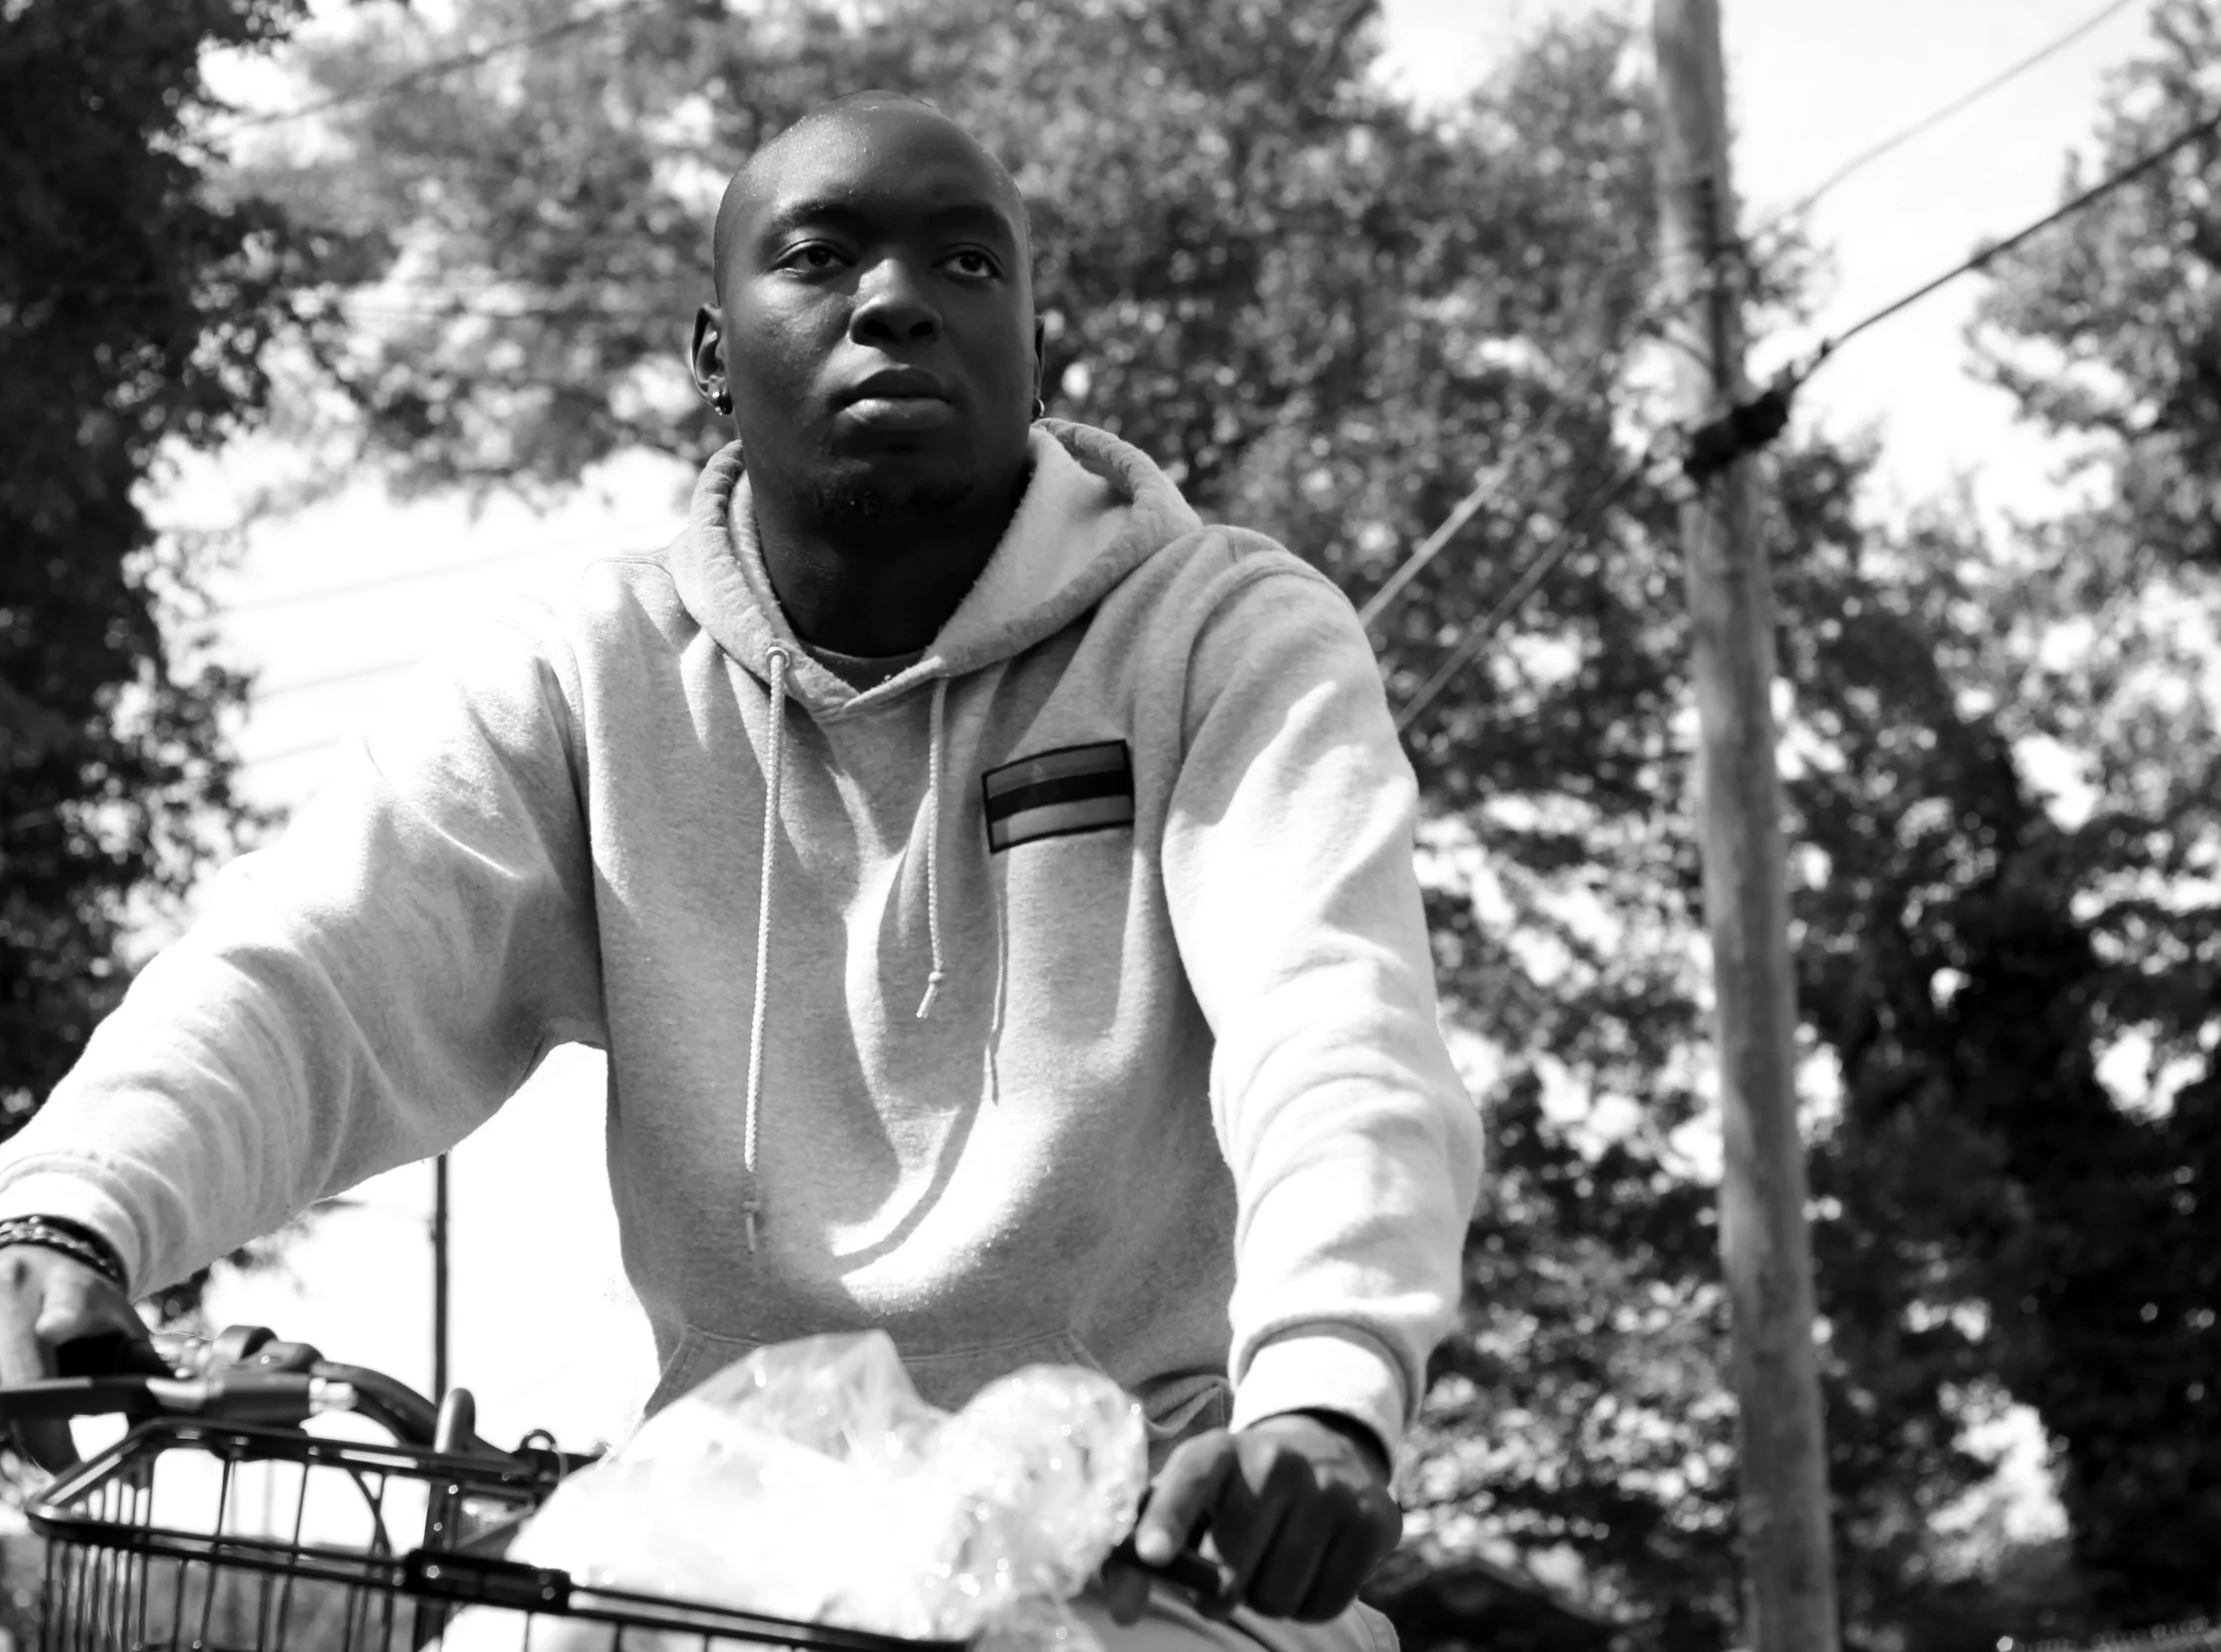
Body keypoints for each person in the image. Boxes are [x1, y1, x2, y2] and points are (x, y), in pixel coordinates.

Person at [0, 92, 1480, 1649]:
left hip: (1150, 1552)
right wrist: (71, 1215)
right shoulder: (590, 675)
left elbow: (1338, 1014)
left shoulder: (1224, 633)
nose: (897, 299)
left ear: (1042, 348)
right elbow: (319, 960)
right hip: (726, 1563)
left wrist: (1328, 1394)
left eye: (968, 265)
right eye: (823, 256)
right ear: (713, 356)